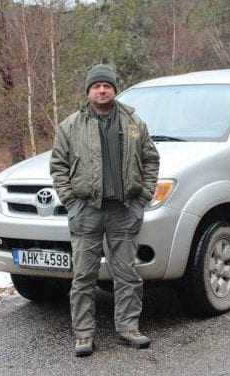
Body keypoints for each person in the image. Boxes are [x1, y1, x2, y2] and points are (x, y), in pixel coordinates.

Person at [50, 64, 160, 356]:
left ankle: (128, 328)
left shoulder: (133, 122)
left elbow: (150, 159)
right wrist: (71, 202)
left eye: (107, 86)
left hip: (124, 210)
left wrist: (143, 196)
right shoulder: (70, 125)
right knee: (83, 276)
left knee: (126, 274)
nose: (102, 90)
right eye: (96, 86)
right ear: (88, 91)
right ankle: (84, 335)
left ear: (114, 89)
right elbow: (58, 166)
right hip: (86, 211)